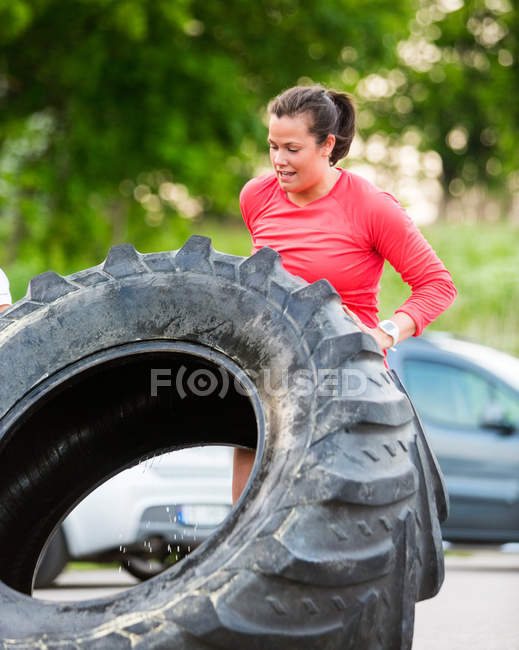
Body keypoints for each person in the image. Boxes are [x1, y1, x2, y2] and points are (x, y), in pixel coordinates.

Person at [232, 84, 457, 504]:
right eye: (272, 146)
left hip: (346, 376)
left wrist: (383, 334)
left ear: (327, 145)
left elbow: (437, 285)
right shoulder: (257, 197)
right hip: (270, 369)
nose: (279, 161)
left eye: (292, 149)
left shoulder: (372, 206)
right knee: (252, 503)